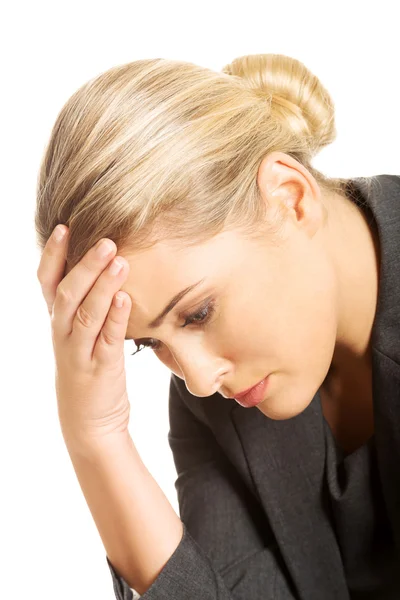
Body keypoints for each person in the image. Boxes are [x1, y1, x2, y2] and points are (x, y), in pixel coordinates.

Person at [35, 53, 400, 599]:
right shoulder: (212, 407)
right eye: (149, 342)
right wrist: (97, 440)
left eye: (198, 312)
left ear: (290, 199)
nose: (200, 379)